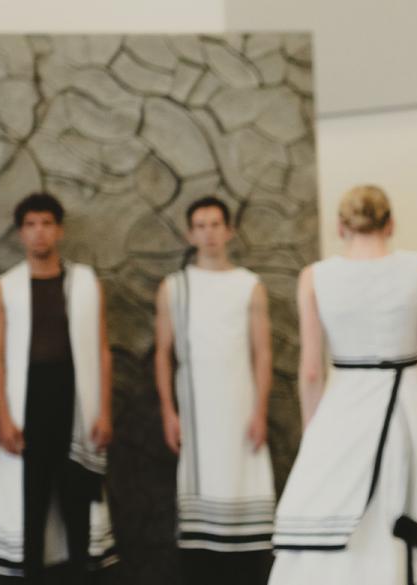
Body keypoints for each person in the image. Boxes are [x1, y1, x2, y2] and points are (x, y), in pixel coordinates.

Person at [270, 185, 417, 584]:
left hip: (342, 406)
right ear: (390, 223)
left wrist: (311, 429)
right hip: (406, 406)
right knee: (399, 512)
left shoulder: (315, 277)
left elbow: (312, 368)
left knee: (327, 510)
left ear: (339, 227)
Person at [0, 193, 118, 582]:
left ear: (59, 230)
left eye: (46, 224)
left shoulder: (86, 283)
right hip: (27, 407)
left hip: (75, 404)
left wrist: (104, 411)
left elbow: (103, 350)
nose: (39, 233)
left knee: (78, 507)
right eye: (30, 225)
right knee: (30, 510)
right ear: (21, 233)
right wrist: (3, 419)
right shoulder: (4, 289)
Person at [155, 196, 276, 584]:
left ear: (229, 231)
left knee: (246, 503)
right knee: (200, 527)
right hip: (197, 415)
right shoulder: (175, 288)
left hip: (240, 411)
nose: (209, 233)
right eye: (201, 225)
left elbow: (262, 354)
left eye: (216, 224)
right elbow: (162, 354)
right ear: (191, 233)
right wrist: (168, 412)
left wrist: (259, 412)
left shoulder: (249, 286)